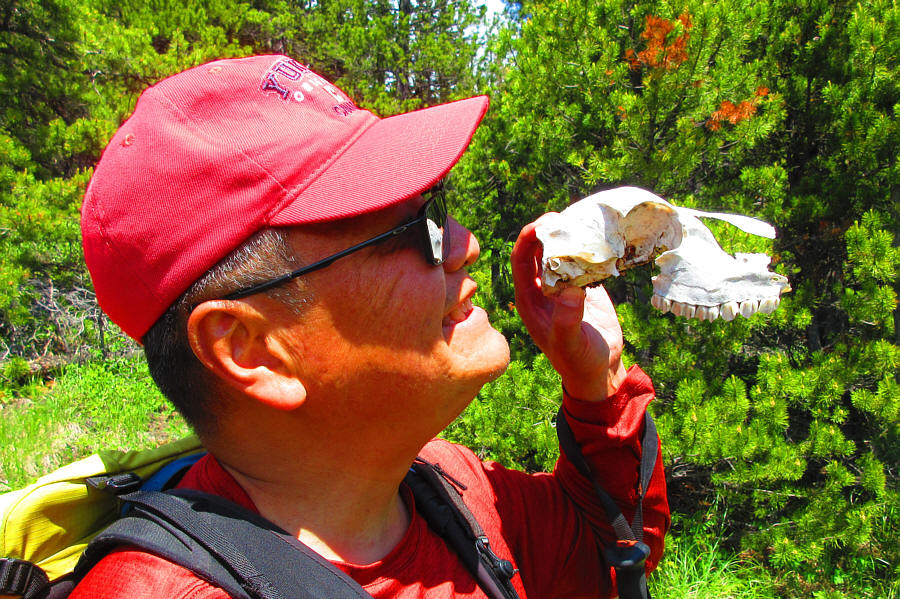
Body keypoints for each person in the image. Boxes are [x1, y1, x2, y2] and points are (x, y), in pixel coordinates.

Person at [72, 54, 669, 598]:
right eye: (413, 229)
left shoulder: (451, 490)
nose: (467, 244)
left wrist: (599, 386)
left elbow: (608, 564)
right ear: (253, 349)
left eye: (436, 203)